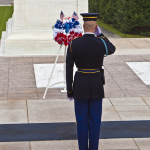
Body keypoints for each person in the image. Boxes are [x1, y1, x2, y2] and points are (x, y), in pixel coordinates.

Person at [66, 13, 116, 150]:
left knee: (81, 122)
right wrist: (101, 35)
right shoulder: (101, 43)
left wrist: (70, 90)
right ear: (96, 27)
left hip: (80, 86)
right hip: (96, 85)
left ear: (83, 26)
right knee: (95, 122)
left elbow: (69, 69)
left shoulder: (73, 44)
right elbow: (112, 49)